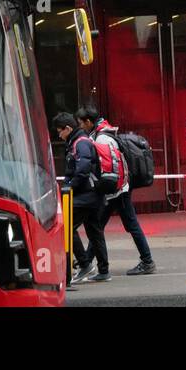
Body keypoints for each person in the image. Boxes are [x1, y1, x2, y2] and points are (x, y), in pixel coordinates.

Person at [80, 106, 157, 276]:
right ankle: (85, 261)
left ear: (88, 122)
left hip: (117, 191)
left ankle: (147, 261)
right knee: (97, 226)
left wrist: (107, 188)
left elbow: (112, 167)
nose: (80, 127)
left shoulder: (102, 139)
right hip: (117, 189)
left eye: (81, 123)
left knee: (129, 225)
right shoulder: (103, 132)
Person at [54, 111, 110, 285]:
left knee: (67, 227)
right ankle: (103, 270)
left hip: (86, 195)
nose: (59, 134)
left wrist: (70, 186)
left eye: (60, 131)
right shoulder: (80, 141)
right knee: (94, 231)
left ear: (68, 128)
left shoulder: (80, 143)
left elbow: (83, 168)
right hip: (93, 195)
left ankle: (85, 264)